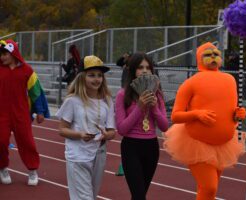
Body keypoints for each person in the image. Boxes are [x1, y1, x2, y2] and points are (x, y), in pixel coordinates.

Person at [164, 42, 246, 200]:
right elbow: (175, 116)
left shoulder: (230, 80)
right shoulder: (190, 83)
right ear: (199, 59)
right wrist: (197, 114)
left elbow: (231, 111)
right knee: (209, 187)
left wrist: (238, 114)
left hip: (224, 144)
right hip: (197, 143)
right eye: (208, 54)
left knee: (208, 190)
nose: (213, 57)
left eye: (216, 53)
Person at [56, 55, 116, 200]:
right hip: (78, 155)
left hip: (98, 154)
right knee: (85, 198)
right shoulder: (73, 101)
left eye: (99, 75)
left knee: (92, 195)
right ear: (82, 77)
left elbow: (112, 131)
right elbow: (62, 129)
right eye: (91, 75)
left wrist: (106, 135)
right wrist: (80, 135)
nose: (96, 79)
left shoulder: (107, 101)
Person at [115, 52, 169, 200]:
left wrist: (154, 108)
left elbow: (165, 127)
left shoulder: (157, 95)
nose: (144, 71)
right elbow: (122, 129)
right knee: (139, 196)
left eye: (148, 67)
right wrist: (139, 106)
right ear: (133, 71)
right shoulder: (122, 94)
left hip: (151, 147)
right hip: (131, 147)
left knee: (140, 195)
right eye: (140, 67)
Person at [0, 39, 50, 186]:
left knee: (27, 142)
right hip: (1, 114)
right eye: (0, 54)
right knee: (1, 141)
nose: (2, 57)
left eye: (4, 54)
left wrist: (40, 111)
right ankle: (2, 167)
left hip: (21, 114)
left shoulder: (27, 70)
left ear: (13, 53)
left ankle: (32, 170)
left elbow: (36, 92)